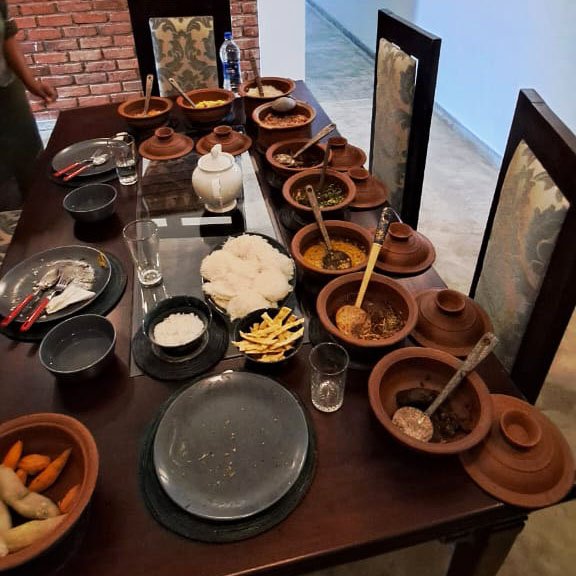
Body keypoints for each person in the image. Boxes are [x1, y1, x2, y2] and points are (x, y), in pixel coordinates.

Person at [1, 0, 56, 201]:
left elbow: (7, 34)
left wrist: (31, 83)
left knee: (32, 165)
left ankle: (35, 212)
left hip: (7, 91)